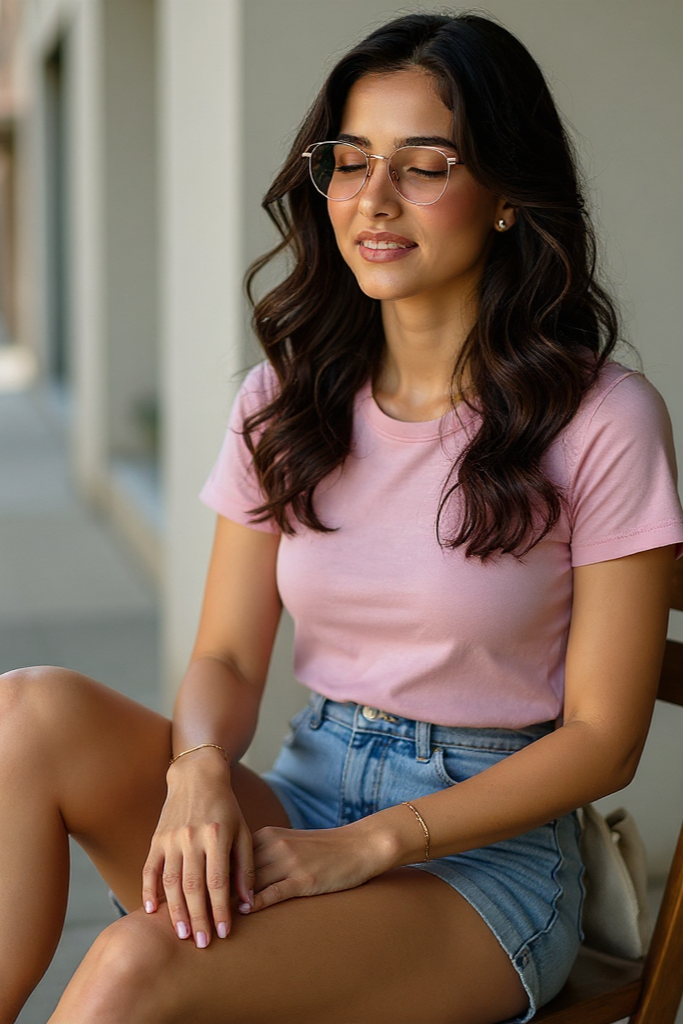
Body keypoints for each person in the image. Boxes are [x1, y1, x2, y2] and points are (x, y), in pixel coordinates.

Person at [1, 11, 682, 1024]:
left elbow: (601, 738)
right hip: (306, 786)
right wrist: (196, 773)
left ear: (502, 196)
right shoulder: (287, 397)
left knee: (131, 969)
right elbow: (228, 657)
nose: (372, 199)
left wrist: (371, 843)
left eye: (423, 166)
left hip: (483, 864)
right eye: (350, 160)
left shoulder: (599, 419)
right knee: (26, 714)